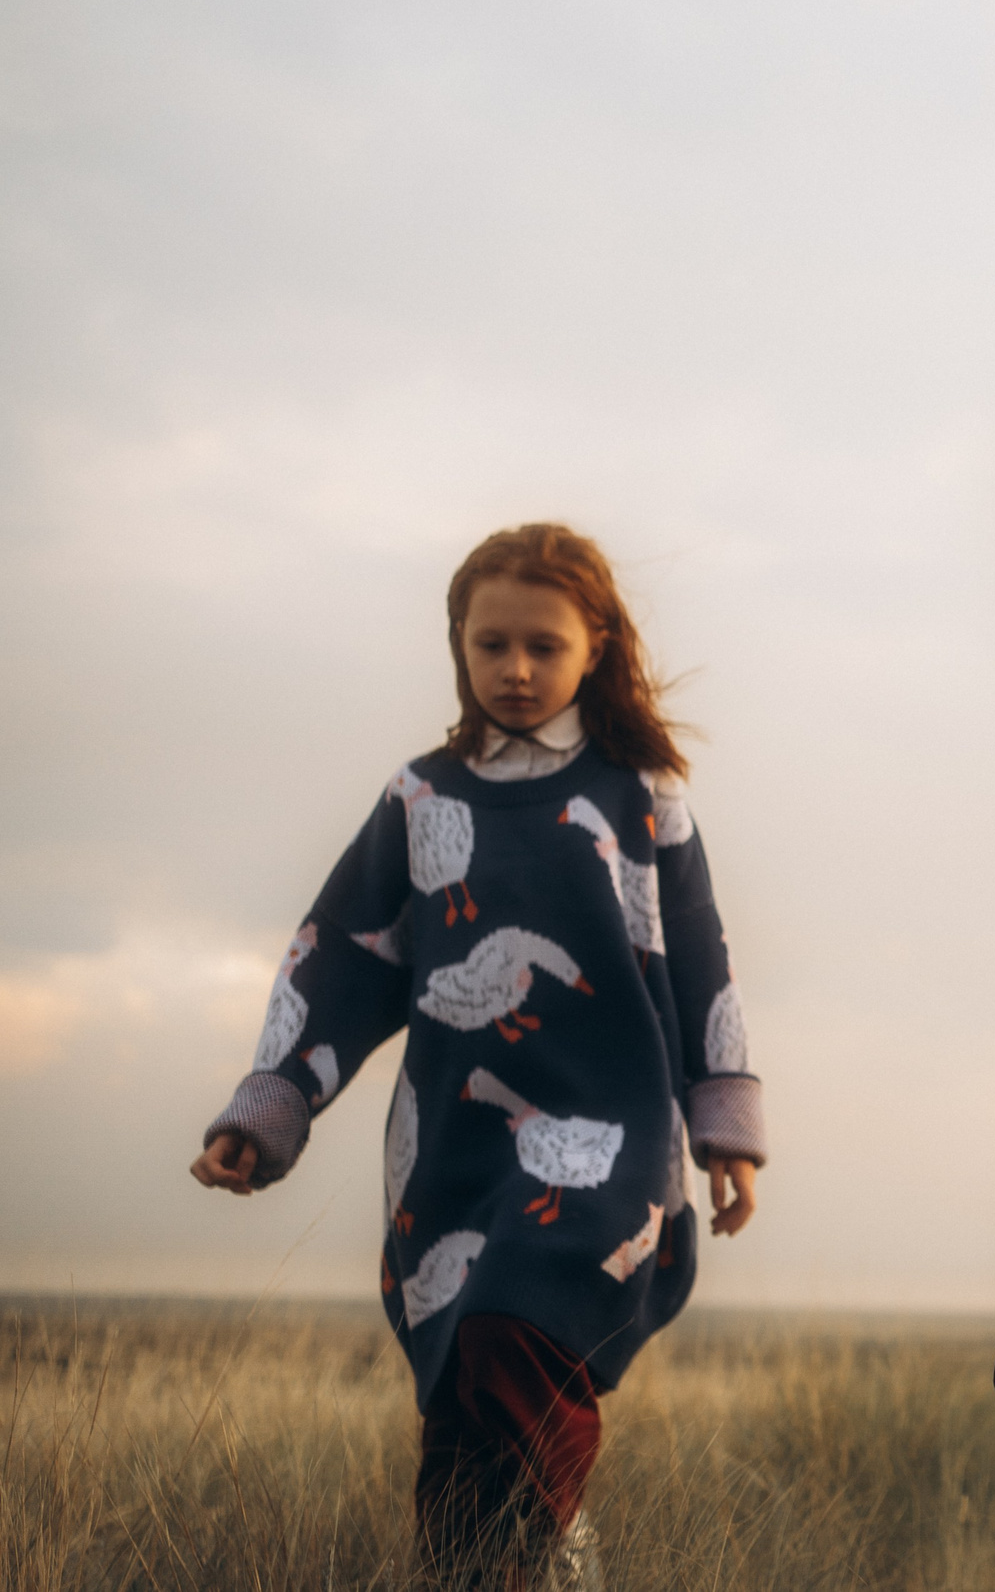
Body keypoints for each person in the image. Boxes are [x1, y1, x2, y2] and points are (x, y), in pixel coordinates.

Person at [189, 523, 765, 1589]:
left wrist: (725, 1125)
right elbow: (343, 961)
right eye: (489, 643)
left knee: (516, 1326)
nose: (514, 668)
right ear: (457, 644)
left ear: (596, 644)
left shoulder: (643, 794)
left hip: (615, 1141)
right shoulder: (421, 799)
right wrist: (268, 1108)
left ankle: (540, 1559)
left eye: (542, 646)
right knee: (462, 1393)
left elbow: (700, 961)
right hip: (454, 1147)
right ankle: (495, 1567)